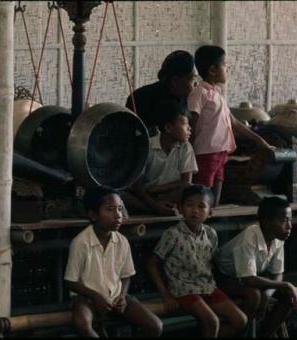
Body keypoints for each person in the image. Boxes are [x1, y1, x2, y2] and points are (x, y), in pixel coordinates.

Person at [146, 185, 247, 337]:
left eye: (201, 206)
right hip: (183, 290)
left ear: (210, 212)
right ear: (180, 208)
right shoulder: (173, 234)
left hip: (208, 287)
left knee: (240, 320)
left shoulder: (211, 234)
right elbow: (152, 264)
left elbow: (211, 262)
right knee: (212, 322)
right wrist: (166, 295)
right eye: (189, 205)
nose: (195, 210)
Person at [64, 186, 163, 337]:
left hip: (116, 296)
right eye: (110, 209)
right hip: (87, 298)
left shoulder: (122, 241)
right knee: (82, 324)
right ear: (93, 215)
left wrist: (122, 296)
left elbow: (126, 275)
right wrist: (96, 296)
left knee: (155, 326)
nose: (118, 215)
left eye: (120, 209)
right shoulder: (81, 242)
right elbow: (71, 282)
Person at [187, 45, 274, 206]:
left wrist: (259, 140)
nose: (227, 69)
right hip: (206, 153)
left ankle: (212, 222)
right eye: (225, 65)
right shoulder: (200, 92)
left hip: (221, 153)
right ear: (213, 70)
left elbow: (233, 122)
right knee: (201, 198)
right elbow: (192, 121)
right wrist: (189, 152)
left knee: (215, 199)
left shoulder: (217, 93)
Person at [213, 196, 297, 337]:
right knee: (254, 295)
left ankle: (264, 334)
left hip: (248, 278)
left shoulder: (278, 238)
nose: (289, 226)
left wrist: (268, 292)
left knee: (286, 296)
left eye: (290, 220)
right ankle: (243, 334)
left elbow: (277, 274)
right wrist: (286, 285)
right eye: (284, 221)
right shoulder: (250, 237)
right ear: (266, 222)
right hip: (222, 278)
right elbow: (249, 280)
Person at [122, 100, 198, 216]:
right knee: (121, 195)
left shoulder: (186, 147)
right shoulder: (147, 146)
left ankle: (152, 208)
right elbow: (138, 186)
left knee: (190, 190)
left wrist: (157, 189)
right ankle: (155, 209)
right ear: (168, 127)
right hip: (145, 194)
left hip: (169, 193)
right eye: (185, 124)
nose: (189, 128)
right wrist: (154, 204)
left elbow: (186, 182)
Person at [126, 50, 198, 138]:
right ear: (175, 81)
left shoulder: (189, 99)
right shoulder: (140, 99)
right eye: (192, 79)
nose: (196, 84)